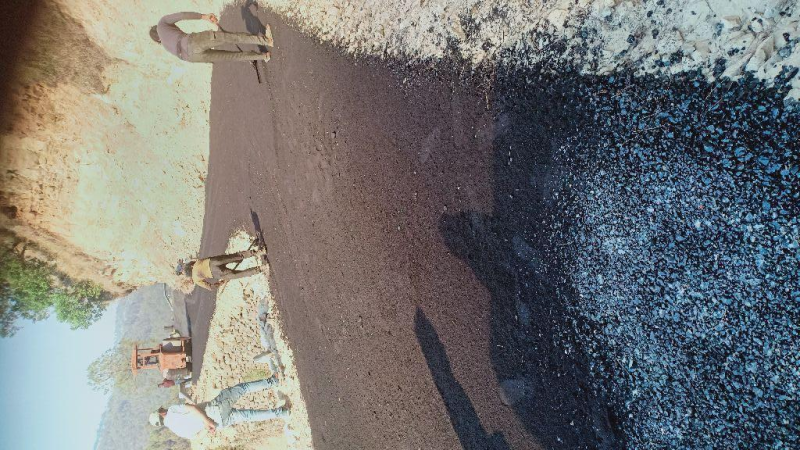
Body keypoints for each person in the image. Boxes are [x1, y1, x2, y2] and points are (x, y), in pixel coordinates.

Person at [149, 377, 290, 439]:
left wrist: (209, 427)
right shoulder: (172, 411)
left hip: (219, 423)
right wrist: (207, 421)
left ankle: (282, 412)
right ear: (161, 414)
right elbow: (192, 409)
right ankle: (273, 380)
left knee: (249, 416)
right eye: (161, 410)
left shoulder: (177, 431)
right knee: (242, 389)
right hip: (214, 410)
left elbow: (197, 436)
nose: (163, 409)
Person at [150, 12, 273, 63]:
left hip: (192, 58)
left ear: (157, 40)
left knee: (231, 56)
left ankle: (263, 56)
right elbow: (182, 15)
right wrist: (204, 17)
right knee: (230, 38)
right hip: (194, 42)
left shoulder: (165, 45)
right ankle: (267, 40)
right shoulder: (161, 23)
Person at [179, 248, 265, 291]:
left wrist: (220, 283)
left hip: (216, 273)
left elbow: (210, 287)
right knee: (235, 257)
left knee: (238, 274)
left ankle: (261, 268)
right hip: (214, 261)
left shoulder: (195, 279)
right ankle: (258, 252)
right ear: (191, 266)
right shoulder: (196, 263)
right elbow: (198, 258)